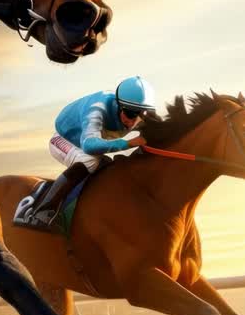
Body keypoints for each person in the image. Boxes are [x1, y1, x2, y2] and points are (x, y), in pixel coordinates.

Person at [20, 76, 156, 231]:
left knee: (110, 168)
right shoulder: (98, 108)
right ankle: (44, 211)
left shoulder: (140, 114)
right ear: (119, 106)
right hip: (63, 140)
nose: (133, 122)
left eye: (141, 115)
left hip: (91, 145)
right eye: (130, 114)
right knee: (89, 161)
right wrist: (128, 143)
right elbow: (89, 146)